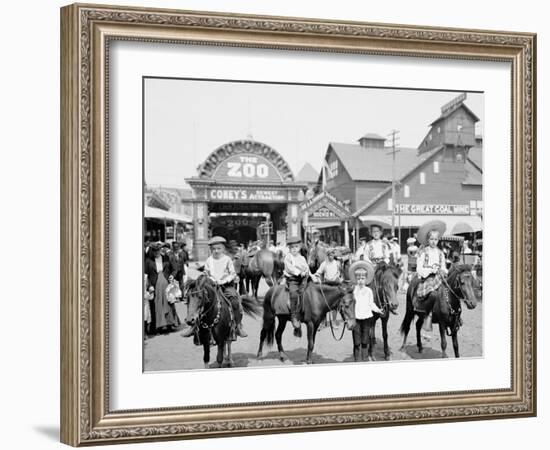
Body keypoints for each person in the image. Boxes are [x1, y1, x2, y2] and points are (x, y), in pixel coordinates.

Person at [180, 236, 247, 339]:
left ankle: (238, 325)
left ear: (223, 249)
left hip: (225, 286)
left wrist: (224, 280)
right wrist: (209, 278)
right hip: (211, 286)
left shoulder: (227, 259)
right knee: (197, 299)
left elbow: (232, 274)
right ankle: (193, 326)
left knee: (234, 299)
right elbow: (206, 272)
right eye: (214, 249)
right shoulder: (209, 260)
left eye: (218, 248)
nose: (216, 251)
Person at [411, 221, 448, 315]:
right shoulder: (423, 252)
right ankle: (428, 313)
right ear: (428, 240)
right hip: (428, 278)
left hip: (439, 277)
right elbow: (419, 268)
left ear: (438, 240)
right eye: (431, 239)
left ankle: (453, 313)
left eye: (436, 239)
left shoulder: (441, 253)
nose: (433, 241)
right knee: (432, 293)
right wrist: (430, 270)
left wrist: (443, 271)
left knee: (450, 292)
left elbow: (443, 267)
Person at [144, 242, 180, 334]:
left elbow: (175, 269)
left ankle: (170, 324)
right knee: (156, 306)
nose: (156, 252)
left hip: (166, 285)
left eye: (158, 250)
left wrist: (172, 275)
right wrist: (149, 286)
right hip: (155, 286)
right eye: (155, 250)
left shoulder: (167, 258)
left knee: (168, 304)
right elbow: (145, 275)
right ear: (152, 251)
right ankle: (157, 327)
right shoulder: (148, 261)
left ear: (161, 250)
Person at [348, 260, 381, 361]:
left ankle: (365, 359)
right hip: (356, 318)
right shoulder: (353, 290)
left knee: (365, 341)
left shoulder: (369, 291)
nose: (360, 280)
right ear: (355, 279)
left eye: (362, 278)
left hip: (367, 318)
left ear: (366, 279)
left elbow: (371, 304)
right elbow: (349, 304)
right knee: (356, 341)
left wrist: (379, 310)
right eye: (358, 278)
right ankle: (357, 359)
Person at [284, 236, 311, 334]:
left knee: (310, 292)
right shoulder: (288, 257)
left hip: (303, 279)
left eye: (296, 247)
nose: (294, 249)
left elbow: (306, 267)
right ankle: (293, 316)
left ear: (299, 247)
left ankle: (310, 312)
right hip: (293, 279)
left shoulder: (302, 258)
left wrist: (307, 272)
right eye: (292, 247)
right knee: (294, 294)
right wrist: (299, 272)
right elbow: (289, 268)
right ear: (289, 249)